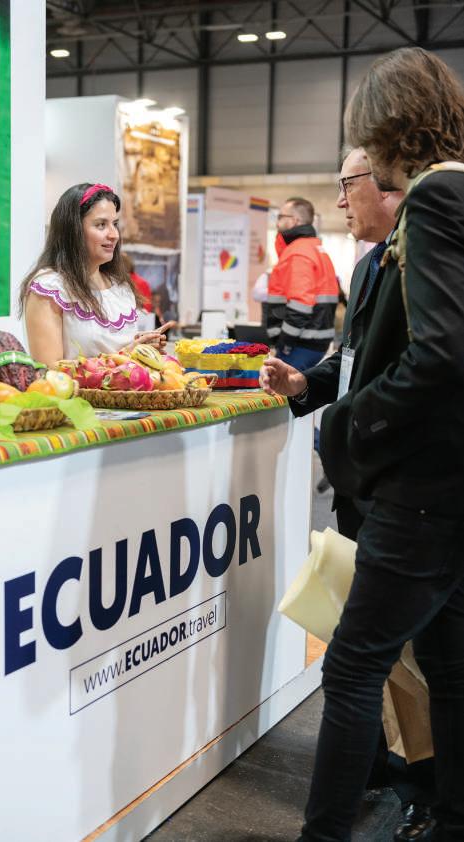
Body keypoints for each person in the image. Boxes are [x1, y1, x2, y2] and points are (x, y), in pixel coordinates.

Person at [288, 47, 464, 842]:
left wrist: (346, 424)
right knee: (448, 665)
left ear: (387, 126)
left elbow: (442, 352)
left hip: (422, 486)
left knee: (354, 662)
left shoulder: (433, 196)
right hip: (445, 485)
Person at [260, 148, 436, 841]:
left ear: (387, 184)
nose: (339, 200)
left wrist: (344, 425)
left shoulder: (428, 260)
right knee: (377, 655)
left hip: (412, 490)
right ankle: (380, 766)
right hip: (365, 488)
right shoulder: (365, 267)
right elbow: (354, 361)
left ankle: (422, 786)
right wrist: (307, 385)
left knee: (395, 657)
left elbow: (423, 371)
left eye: (347, 184)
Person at [19, 182, 167, 366]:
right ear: (73, 230)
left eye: (114, 224)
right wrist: (125, 355)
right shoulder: (49, 287)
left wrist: (143, 348)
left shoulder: (120, 287)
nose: (114, 235)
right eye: (101, 225)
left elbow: (122, 356)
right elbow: (48, 368)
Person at [266, 197, 338, 371]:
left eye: (280, 216)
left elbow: (300, 305)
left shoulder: (298, 253)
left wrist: (284, 344)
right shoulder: (314, 248)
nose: (277, 222)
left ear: (294, 221)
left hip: (299, 344)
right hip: (313, 341)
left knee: (282, 388)